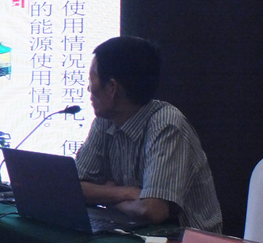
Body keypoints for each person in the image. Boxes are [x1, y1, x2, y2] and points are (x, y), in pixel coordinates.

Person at [74, 36, 222, 232]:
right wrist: (127, 193)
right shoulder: (105, 120)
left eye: (91, 80)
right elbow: (75, 187)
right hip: (132, 232)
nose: (89, 89)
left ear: (112, 88)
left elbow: (153, 210)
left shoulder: (167, 125)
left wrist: (108, 196)